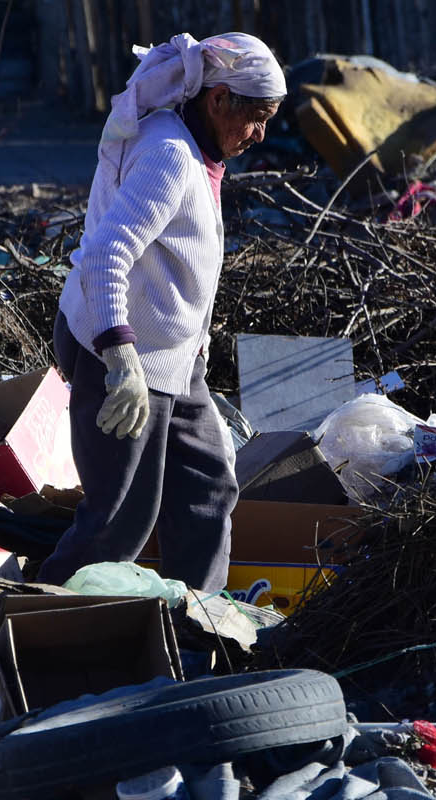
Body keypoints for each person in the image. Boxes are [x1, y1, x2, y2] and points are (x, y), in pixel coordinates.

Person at [36, 32, 286, 592]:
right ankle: (41, 619)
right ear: (218, 100)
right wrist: (119, 360)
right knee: (119, 521)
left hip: (171, 360)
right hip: (123, 353)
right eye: (257, 117)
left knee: (207, 488)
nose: (260, 135)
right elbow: (104, 256)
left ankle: (198, 625)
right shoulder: (169, 157)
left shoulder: (194, 150)